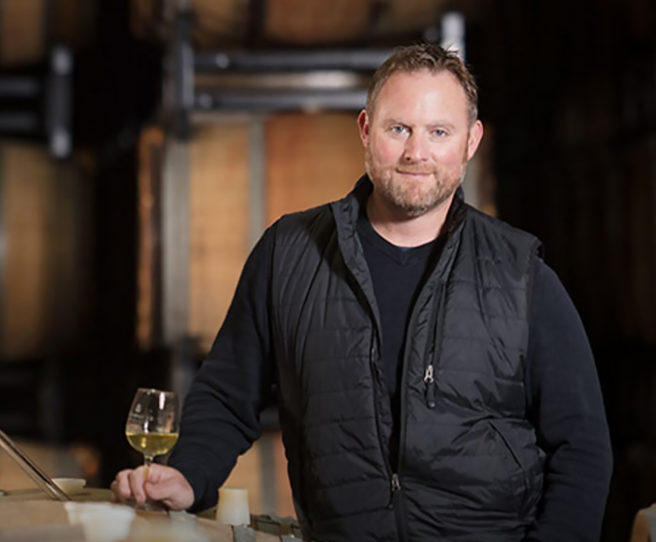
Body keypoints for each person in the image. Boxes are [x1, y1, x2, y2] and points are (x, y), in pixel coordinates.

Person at [113, 43, 613, 541]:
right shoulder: (289, 254)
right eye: (399, 129)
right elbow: (225, 396)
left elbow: (582, 446)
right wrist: (187, 475)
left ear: (471, 142)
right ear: (366, 130)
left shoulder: (520, 274)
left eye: (439, 132)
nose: (417, 152)